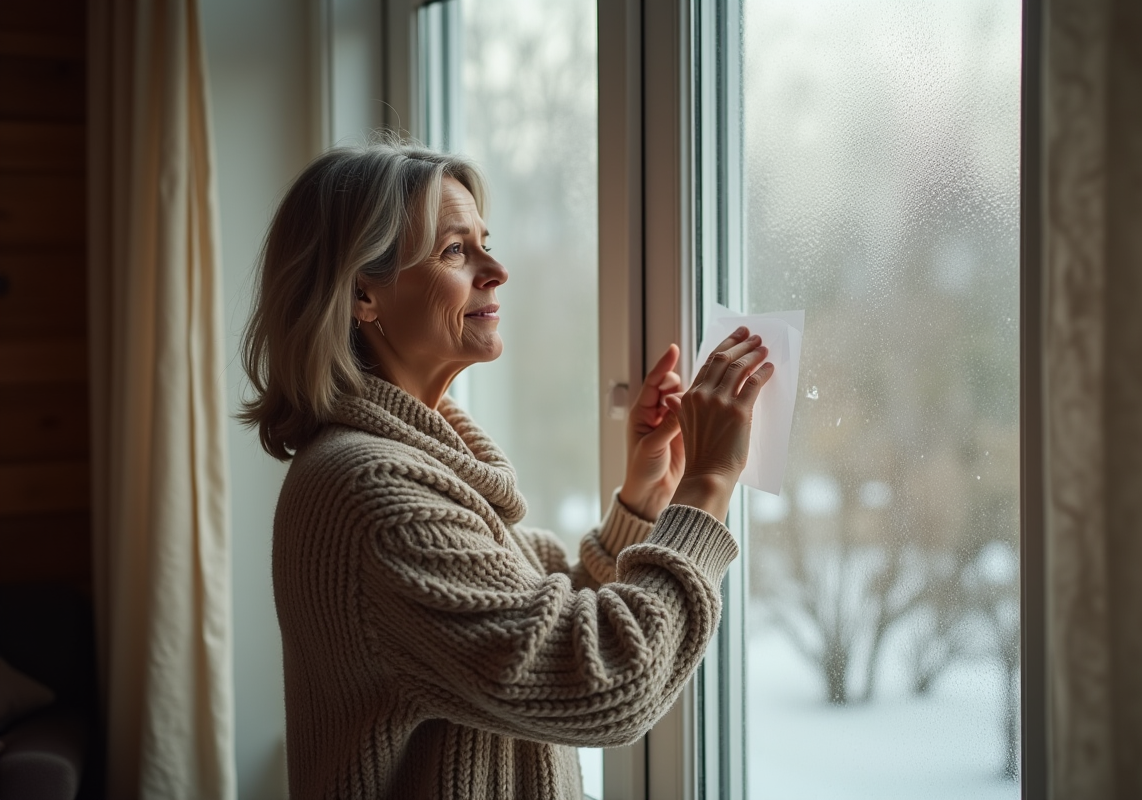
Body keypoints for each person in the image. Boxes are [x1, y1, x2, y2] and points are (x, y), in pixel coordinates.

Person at [240, 137, 773, 800]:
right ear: (362, 295)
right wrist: (707, 487)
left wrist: (644, 495)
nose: (497, 269)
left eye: (484, 241)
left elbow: (531, 620)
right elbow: (605, 681)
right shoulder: (371, 493)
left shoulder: (416, 462)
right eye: (456, 250)